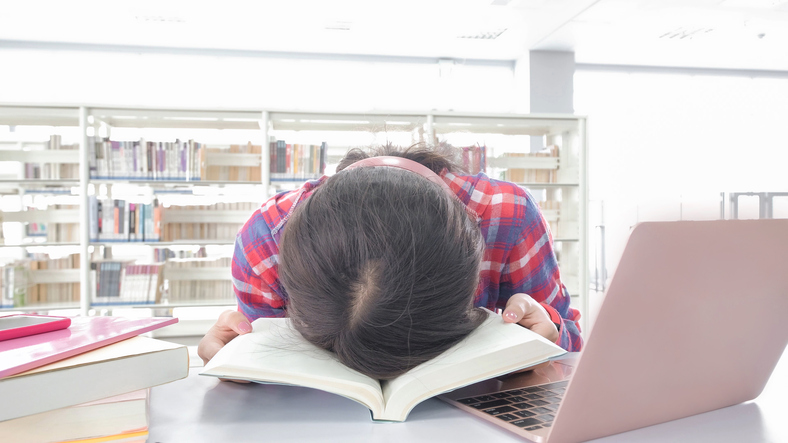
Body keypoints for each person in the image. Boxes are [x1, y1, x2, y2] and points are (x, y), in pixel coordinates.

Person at [198, 143, 583, 379]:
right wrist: (235, 359)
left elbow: (571, 340)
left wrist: (547, 333)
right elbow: (260, 358)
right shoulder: (264, 239)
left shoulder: (507, 215)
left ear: (471, 255)